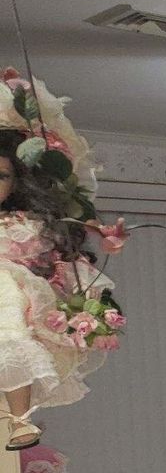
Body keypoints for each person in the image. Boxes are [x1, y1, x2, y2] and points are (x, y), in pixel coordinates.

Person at [0, 131, 100, 449]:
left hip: (8, 290)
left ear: (15, 183)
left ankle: (19, 419)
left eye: (1, 176)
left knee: (9, 321)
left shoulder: (19, 223)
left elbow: (40, 254)